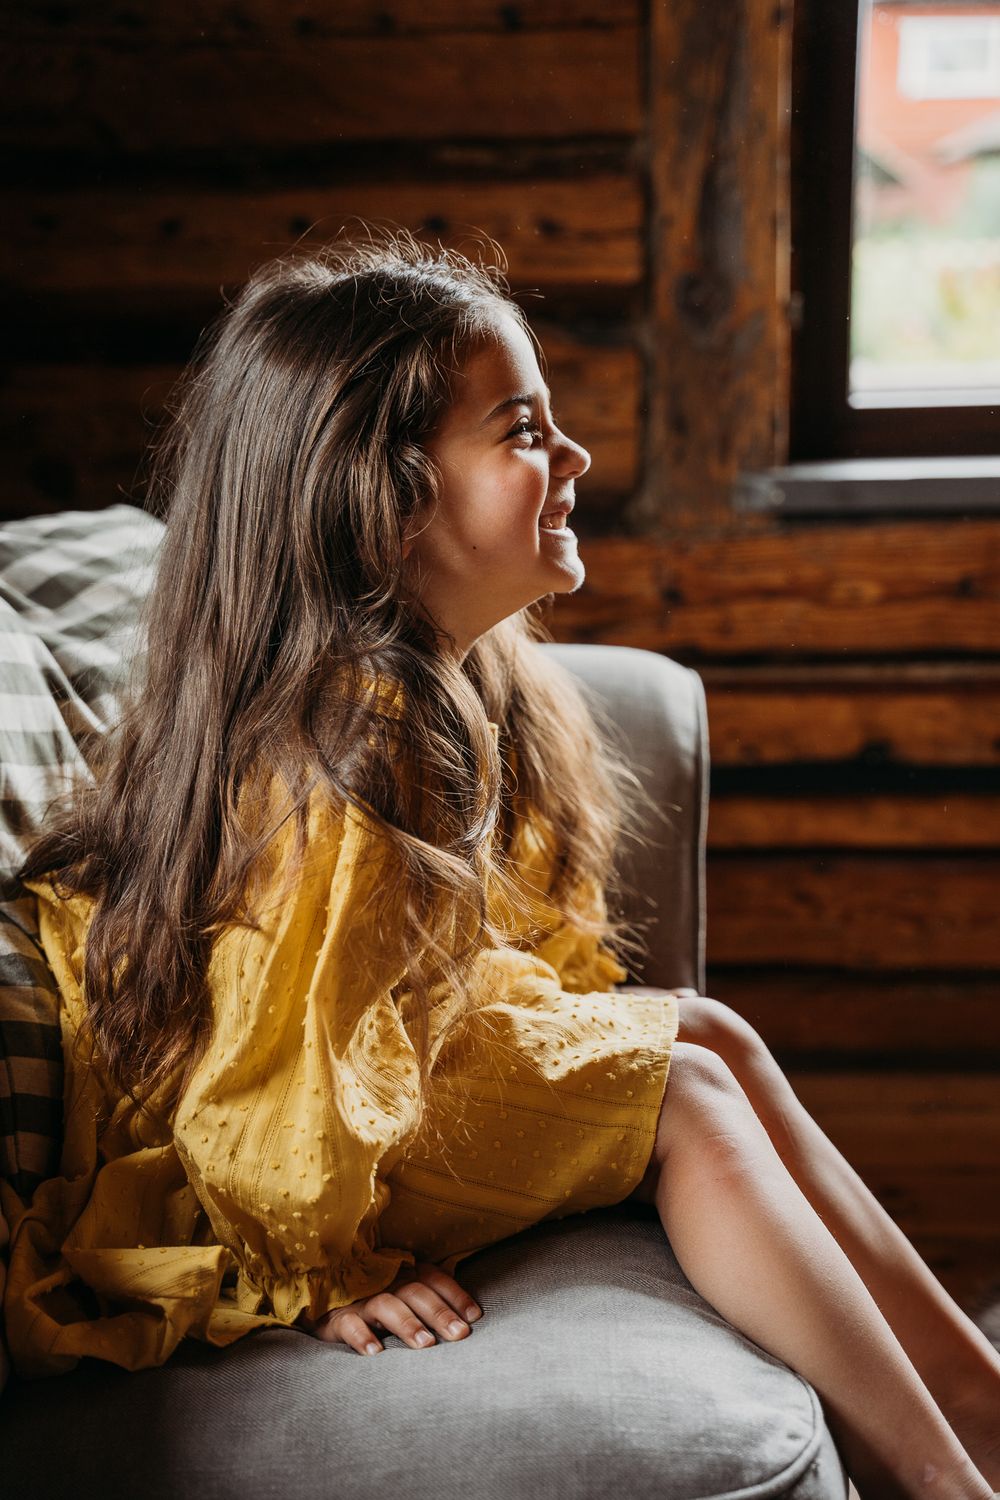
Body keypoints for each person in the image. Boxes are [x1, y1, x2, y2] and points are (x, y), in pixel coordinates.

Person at [3, 231, 997, 1497]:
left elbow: (450, 971)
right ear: (387, 499)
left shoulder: (470, 683)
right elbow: (270, 1081)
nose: (572, 457)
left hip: (371, 1058)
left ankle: (979, 1402)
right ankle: (944, 1483)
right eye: (522, 431)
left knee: (709, 1034)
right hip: (274, 1127)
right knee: (682, 1099)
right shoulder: (348, 741)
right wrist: (313, 1268)